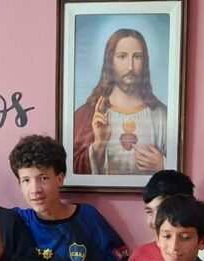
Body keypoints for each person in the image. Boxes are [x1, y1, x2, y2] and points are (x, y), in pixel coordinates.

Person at [72, 28, 168, 175]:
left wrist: (164, 165)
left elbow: (180, 166)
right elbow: (71, 169)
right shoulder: (86, 114)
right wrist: (99, 144)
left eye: (137, 57)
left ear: (145, 62)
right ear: (110, 62)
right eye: (122, 57)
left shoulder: (162, 115)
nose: (130, 67)